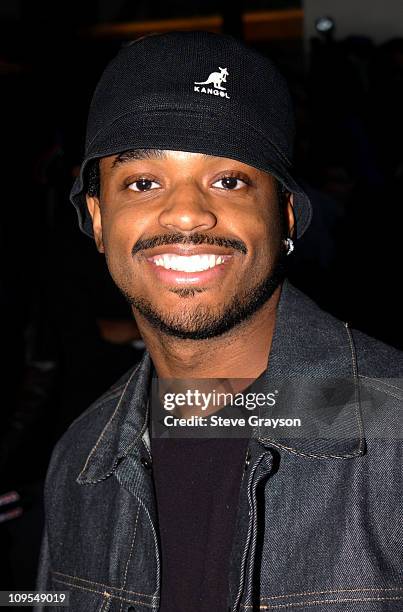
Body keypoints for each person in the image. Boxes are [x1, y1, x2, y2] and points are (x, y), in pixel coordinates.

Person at [36, 32, 403, 611]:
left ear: (284, 214)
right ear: (98, 218)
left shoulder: (394, 430)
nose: (186, 211)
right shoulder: (80, 461)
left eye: (228, 180)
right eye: (143, 182)